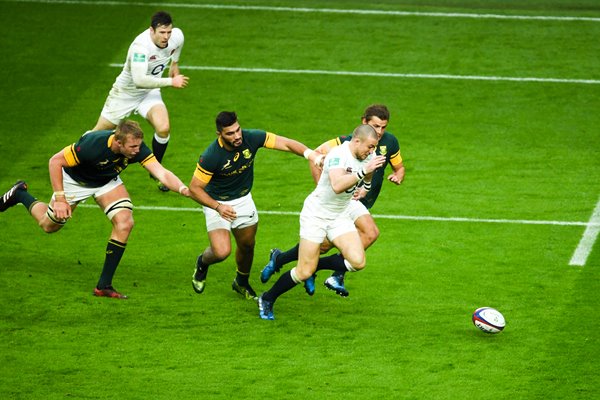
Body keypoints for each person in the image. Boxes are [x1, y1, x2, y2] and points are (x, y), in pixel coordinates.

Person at [0, 120, 191, 299]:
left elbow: (161, 172)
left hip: (105, 181)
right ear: (118, 142)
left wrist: (183, 189)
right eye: (133, 147)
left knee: (125, 222)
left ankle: (103, 286)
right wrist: (60, 198)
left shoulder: (136, 148)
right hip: (75, 181)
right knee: (48, 225)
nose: (137, 151)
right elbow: (55, 161)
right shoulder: (93, 145)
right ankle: (20, 194)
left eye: (139, 146)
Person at [260, 104, 405, 297]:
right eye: (375, 126)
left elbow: (385, 169)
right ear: (364, 123)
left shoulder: (376, 148)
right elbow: (320, 160)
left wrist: (367, 187)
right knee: (323, 248)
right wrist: (323, 186)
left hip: (348, 201)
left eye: (383, 127)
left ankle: (317, 269)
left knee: (367, 236)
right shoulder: (344, 146)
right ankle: (289, 269)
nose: (379, 132)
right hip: (332, 203)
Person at [188, 111, 324, 302]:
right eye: (230, 134)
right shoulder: (211, 156)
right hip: (216, 202)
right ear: (219, 134)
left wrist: (311, 155)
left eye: (238, 130)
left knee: (247, 245)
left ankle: (241, 282)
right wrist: (218, 207)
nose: (236, 136)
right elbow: (194, 189)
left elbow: (285, 143)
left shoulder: (251, 138)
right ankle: (202, 263)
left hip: (243, 200)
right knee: (221, 251)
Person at [258, 124, 386, 319]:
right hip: (315, 215)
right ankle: (267, 298)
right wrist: (363, 172)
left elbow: (369, 171)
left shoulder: (366, 155)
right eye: (369, 146)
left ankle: (312, 264)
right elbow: (336, 185)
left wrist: (366, 186)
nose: (372, 151)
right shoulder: (338, 155)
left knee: (358, 261)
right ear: (357, 140)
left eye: (374, 148)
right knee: (303, 271)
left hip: (339, 216)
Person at [91, 11, 189, 192]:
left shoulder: (177, 36)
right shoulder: (140, 47)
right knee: (96, 134)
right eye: (162, 33)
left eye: (169, 32)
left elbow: (178, 45)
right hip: (125, 94)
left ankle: (156, 171)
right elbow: (139, 80)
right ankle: (73, 160)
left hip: (149, 92)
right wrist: (171, 82)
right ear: (151, 30)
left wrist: (174, 64)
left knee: (163, 128)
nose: (166, 37)